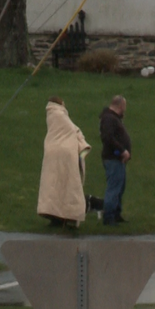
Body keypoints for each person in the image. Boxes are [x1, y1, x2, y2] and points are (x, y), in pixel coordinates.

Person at [36, 96, 91, 228]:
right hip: (65, 155)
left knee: (52, 186)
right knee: (69, 185)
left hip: (51, 153)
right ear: (60, 104)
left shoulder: (50, 115)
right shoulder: (60, 114)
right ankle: (69, 215)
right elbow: (72, 129)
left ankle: (54, 215)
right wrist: (82, 144)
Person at [99, 95, 132, 226]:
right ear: (120, 106)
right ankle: (109, 216)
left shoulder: (113, 118)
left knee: (119, 187)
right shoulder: (109, 119)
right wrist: (121, 151)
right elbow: (108, 138)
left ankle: (116, 213)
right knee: (113, 187)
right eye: (124, 106)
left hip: (118, 159)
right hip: (113, 159)